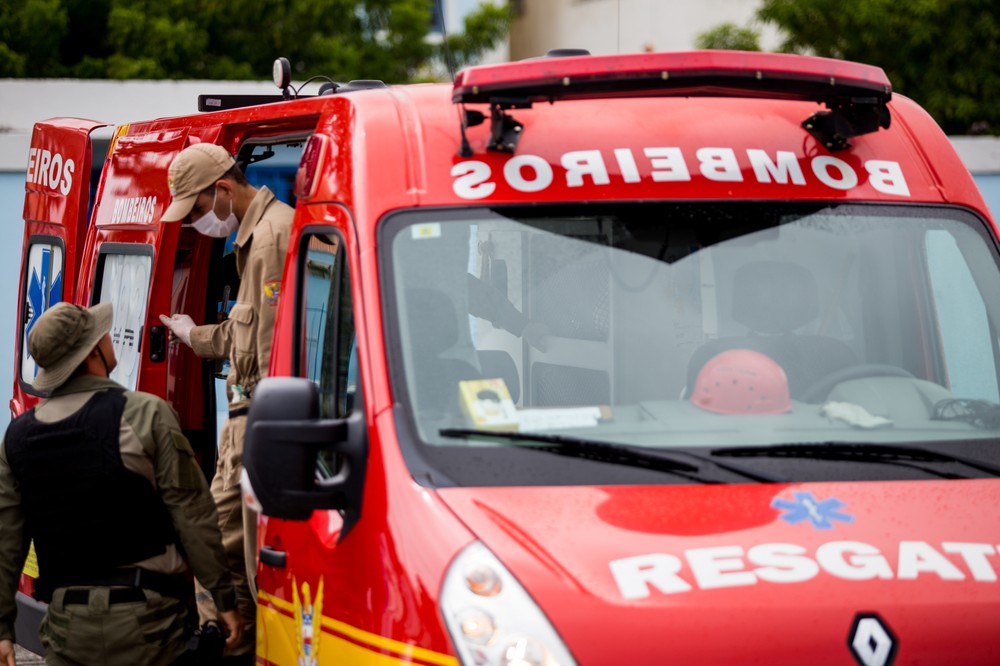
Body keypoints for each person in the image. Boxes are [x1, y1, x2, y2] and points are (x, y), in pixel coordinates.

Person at [0, 302, 242, 666]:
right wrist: (224, 599)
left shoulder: (17, 438)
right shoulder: (145, 413)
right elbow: (194, 518)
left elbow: (6, 542)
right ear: (92, 352)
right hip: (150, 625)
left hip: (67, 630)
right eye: (103, 334)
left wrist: (3, 628)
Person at [158, 143, 293, 661]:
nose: (197, 223)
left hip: (258, 417)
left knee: (224, 542)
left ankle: (232, 644)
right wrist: (193, 335)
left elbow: (273, 352)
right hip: (247, 416)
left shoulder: (271, 239)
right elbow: (247, 333)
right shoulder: (254, 239)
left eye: (196, 210)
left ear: (222, 189)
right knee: (228, 545)